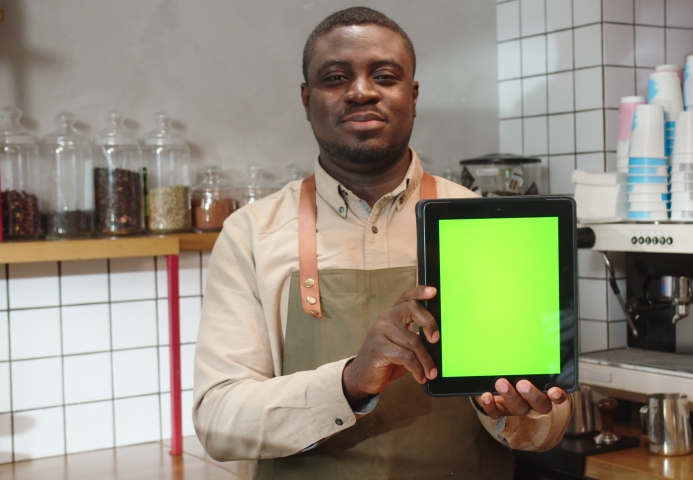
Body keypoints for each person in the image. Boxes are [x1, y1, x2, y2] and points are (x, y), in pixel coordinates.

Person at [193, 7, 572, 479]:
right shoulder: (251, 232)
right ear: (307, 99)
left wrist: (517, 412)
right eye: (335, 77)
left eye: (385, 76)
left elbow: (549, 422)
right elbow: (219, 422)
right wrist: (350, 381)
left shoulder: (487, 224)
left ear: (412, 96)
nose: (361, 91)